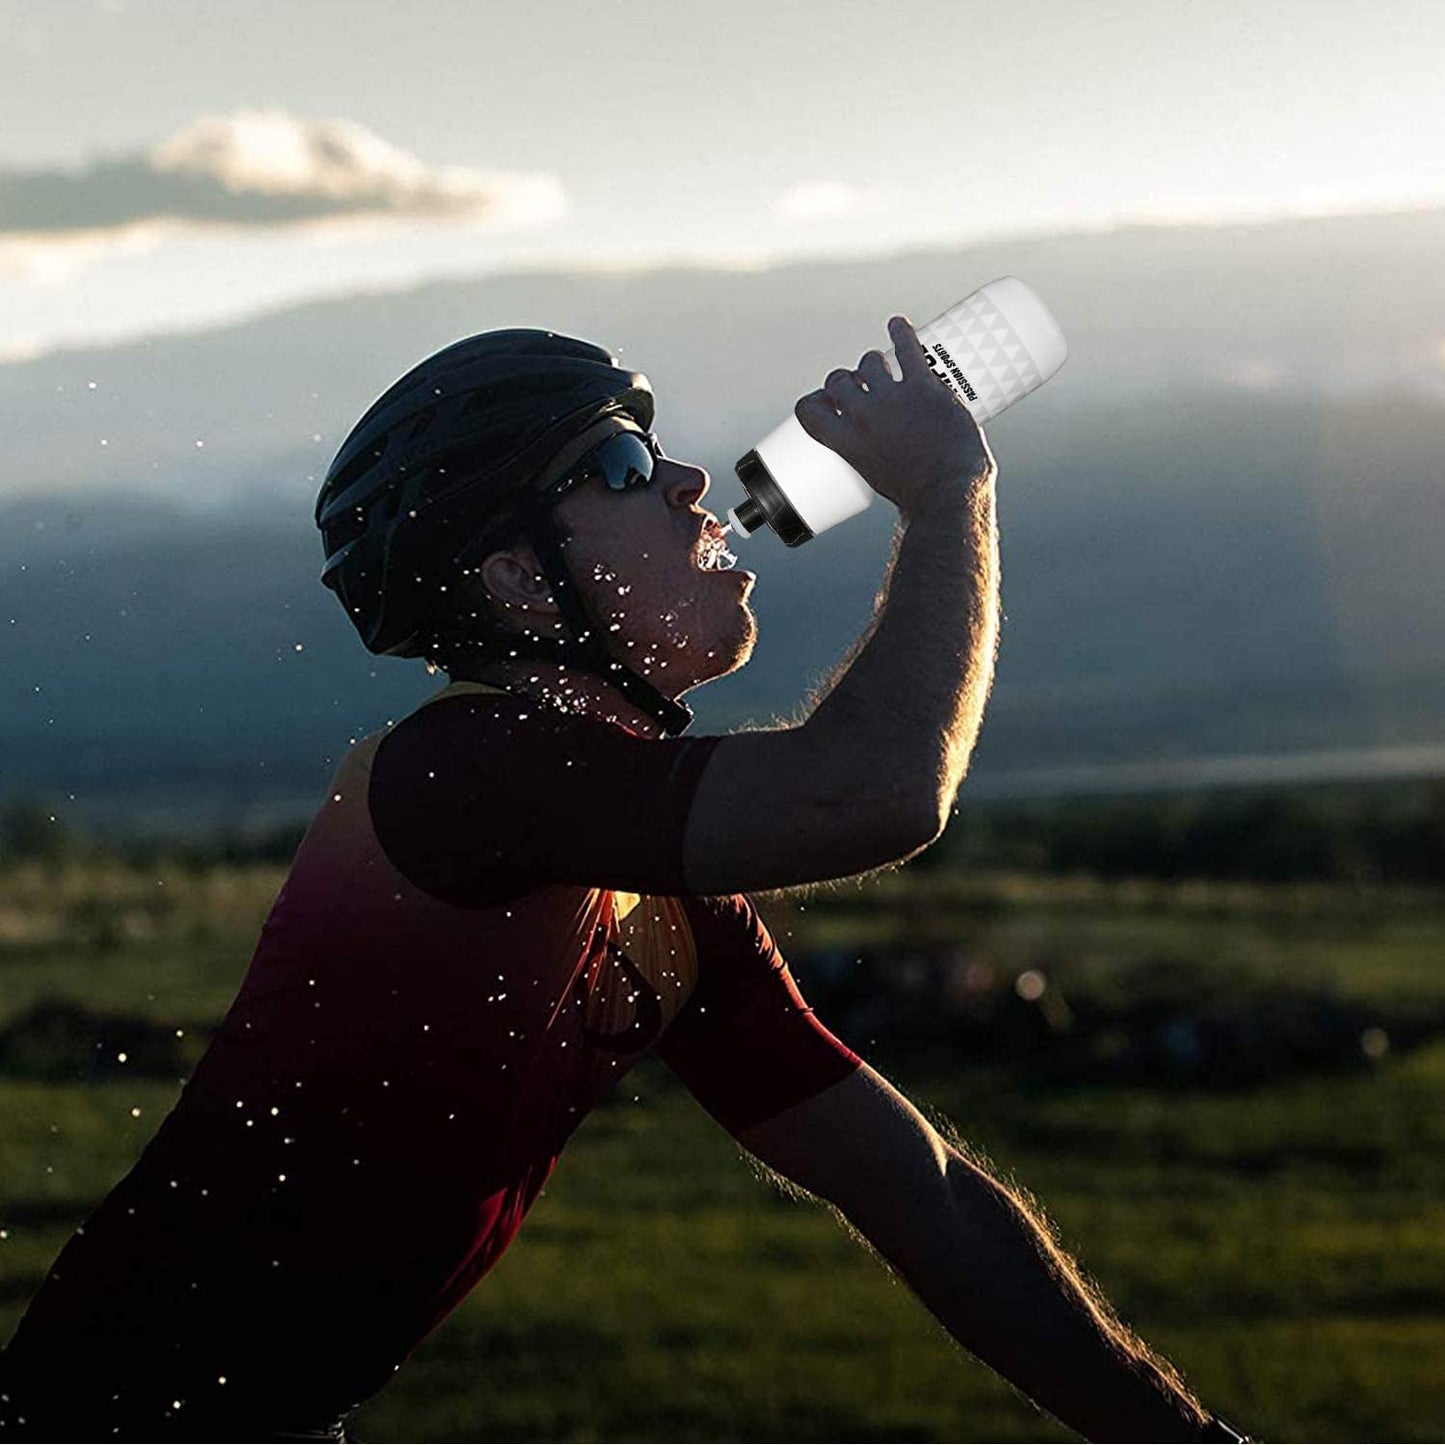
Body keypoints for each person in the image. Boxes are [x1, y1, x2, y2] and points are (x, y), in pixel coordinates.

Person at [0, 320, 1248, 1443]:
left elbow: (915, 1191)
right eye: (616, 466)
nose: (691, 482)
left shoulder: (652, 901)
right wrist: (947, 490)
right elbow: (875, 788)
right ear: (512, 581)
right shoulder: (456, 769)